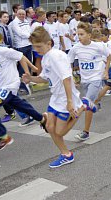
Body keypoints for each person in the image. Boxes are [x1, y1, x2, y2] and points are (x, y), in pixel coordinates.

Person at [0, 28, 47, 152]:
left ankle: (3, 137)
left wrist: (28, 72)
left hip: (10, 85)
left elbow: (20, 56)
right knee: (20, 105)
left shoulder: (3, 51)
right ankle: (42, 118)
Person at [22, 27, 85, 168]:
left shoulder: (56, 56)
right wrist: (30, 78)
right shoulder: (46, 58)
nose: (36, 49)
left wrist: (70, 102)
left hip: (66, 98)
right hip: (55, 98)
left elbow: (67, 78)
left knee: (60, 132)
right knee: (50, 128)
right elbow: (44, 79)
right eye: (34, 47)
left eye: (39, 46)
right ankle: (66, 155)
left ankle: (82, 107)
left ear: (49, 43)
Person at [68, 23, 110, 141]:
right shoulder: (75, 48)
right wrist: (71, 76)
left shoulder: (98, 46)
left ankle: (82, 129)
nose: (79, 37)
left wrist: (106, 71)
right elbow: (69, 62)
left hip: (96, 78)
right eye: (77, 34)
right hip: (85, 80)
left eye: (81, 34)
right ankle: (105, 91)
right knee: (89, 105)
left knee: (86, 102)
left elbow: (109, 55)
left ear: (89, 35)